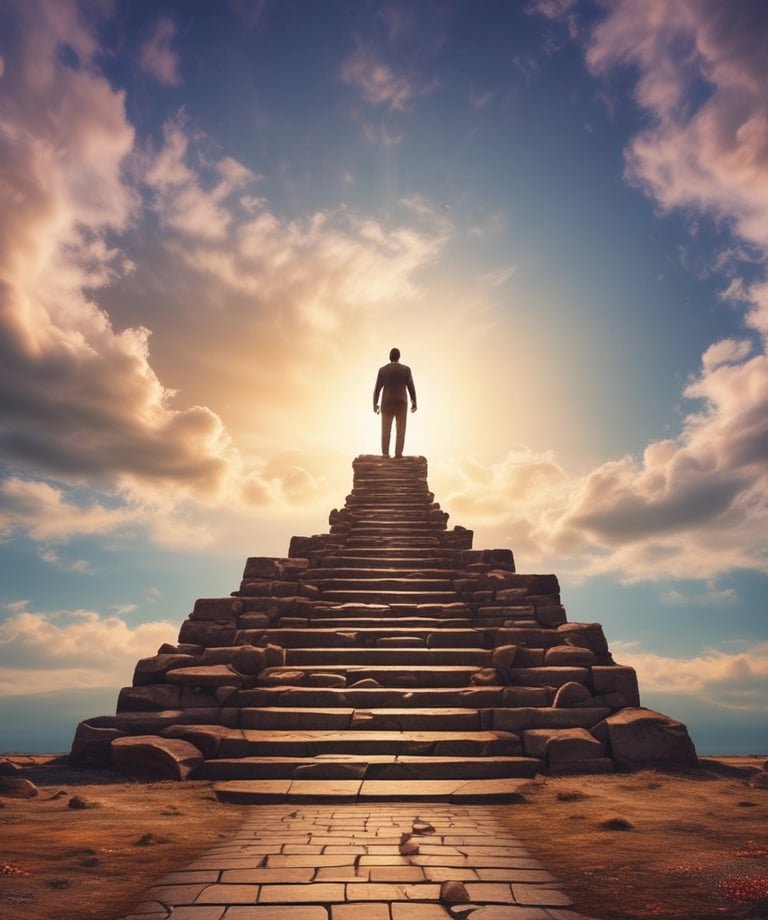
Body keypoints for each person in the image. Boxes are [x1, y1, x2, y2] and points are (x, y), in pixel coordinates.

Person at [373, 347, 417, 458]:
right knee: (401, 430)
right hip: (401, 403)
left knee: (385, 430)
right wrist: (414, 402)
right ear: (399, 357)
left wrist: (375, 404)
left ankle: (385, 454)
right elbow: (411, 387)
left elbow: (377, 388)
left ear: (389, 357)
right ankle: (398, 454)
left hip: (387, 402)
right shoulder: (406, 370)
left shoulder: (383, 370)